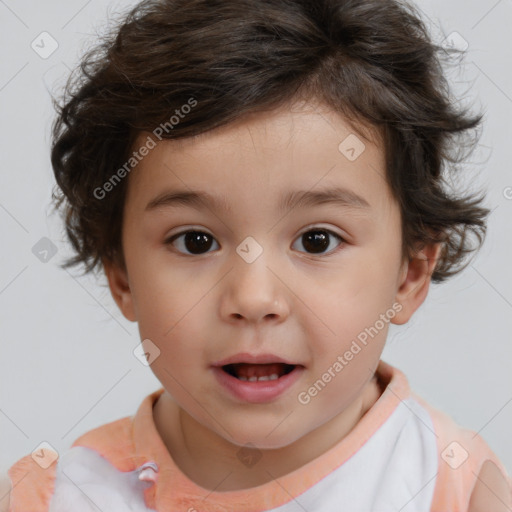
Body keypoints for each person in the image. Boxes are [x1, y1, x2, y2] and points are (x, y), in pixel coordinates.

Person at [5, 0, 512, 510]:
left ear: (410, 275)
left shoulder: (452, 488)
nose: (253, 298)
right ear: (122, 276)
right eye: (195, 241)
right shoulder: (60, 497)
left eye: (317, 240)